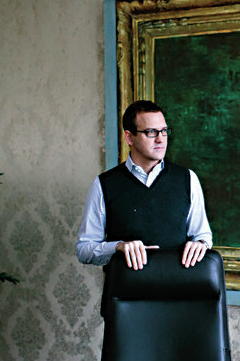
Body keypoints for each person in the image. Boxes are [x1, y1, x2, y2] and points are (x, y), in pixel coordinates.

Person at [76, 100, 212, 272]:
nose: (160, 139)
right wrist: (118, 247)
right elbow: (84, 250)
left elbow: (202, 236)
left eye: (164, 131)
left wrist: (200, 243)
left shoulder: (188, 178)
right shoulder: (103, 184)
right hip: (125, 287)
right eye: (151, 132)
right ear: (129, 137)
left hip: (179, 285)